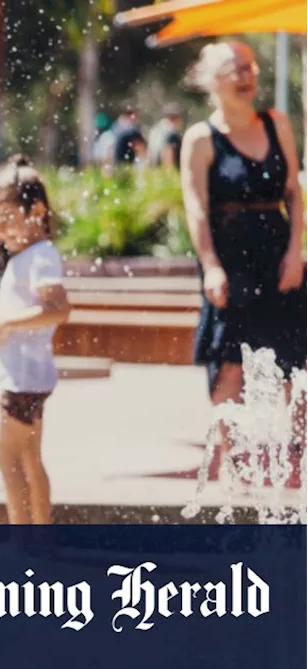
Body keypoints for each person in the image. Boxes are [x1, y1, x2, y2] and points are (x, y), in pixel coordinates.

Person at [179, 41, 308, 470]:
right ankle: (231, 462)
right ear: (213, 79)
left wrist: (295, 252)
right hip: (230, 262)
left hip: (278, 255)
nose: (247, 76)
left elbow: (293, 191)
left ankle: (297, 456)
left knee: (296, 360)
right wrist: (211, 267)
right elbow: (195, 208)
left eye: (250, 67)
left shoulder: (277, 124)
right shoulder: (201, 139)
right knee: (228, 361)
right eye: (236, 69)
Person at [0, 155, 72, 525]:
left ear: (37, 211)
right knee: (28, 459)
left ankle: (23, 537)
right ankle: (37, 536)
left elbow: (58, 309)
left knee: (6, 457)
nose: (0, 233)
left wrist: (2, 327)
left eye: (7, 221)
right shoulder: (30, 256)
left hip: (24, 379)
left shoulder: (41, 257)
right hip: (28, 376)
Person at [150, 103, 185, 169]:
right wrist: (170, 173)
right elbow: (168, 155)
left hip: (155, 170)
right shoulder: (171, 134)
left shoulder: (156, 130)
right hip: (167, 171)